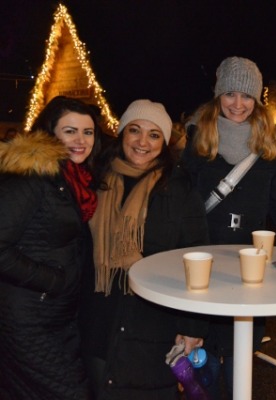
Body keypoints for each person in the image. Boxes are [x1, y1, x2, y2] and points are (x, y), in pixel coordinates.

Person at [79, 99, 210, 399]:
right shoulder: (95, 180)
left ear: (164, 142)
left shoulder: (179, 189)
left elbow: (197, 260)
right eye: (134, 130)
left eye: (154, 135)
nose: (142, 142)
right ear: (122, 133)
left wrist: (192, 326)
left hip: (154, 324)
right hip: (97, 318)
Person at [181, 56, 276, 398]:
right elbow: (181, 200)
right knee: (206, 362)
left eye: (247, 96)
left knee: (239, 358)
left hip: (249, 267)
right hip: (204, 264)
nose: (238, 104)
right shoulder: (198, 137)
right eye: (230, 94)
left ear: (257, 100)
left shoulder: (269, 143)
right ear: (218, 95)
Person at [0, 96, 101, 399]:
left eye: (88, 132)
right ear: (49, 133)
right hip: (27, 318)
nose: (81, 140)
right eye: (70, 131)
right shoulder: (31, 177)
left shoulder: (71, 178)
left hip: (58, 315)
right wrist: (53, 280)